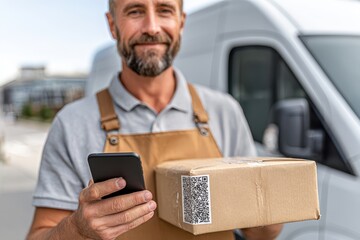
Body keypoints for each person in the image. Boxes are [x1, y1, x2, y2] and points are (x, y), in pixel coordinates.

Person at [27, 0, 283, 239]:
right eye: (135, 11)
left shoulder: (225, 112)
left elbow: (256, 232)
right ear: (112, 25)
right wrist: (77, 229)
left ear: (181, 22)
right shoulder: (71, 124)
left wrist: (268, 222)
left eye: (164, 10)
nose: (151, 27)